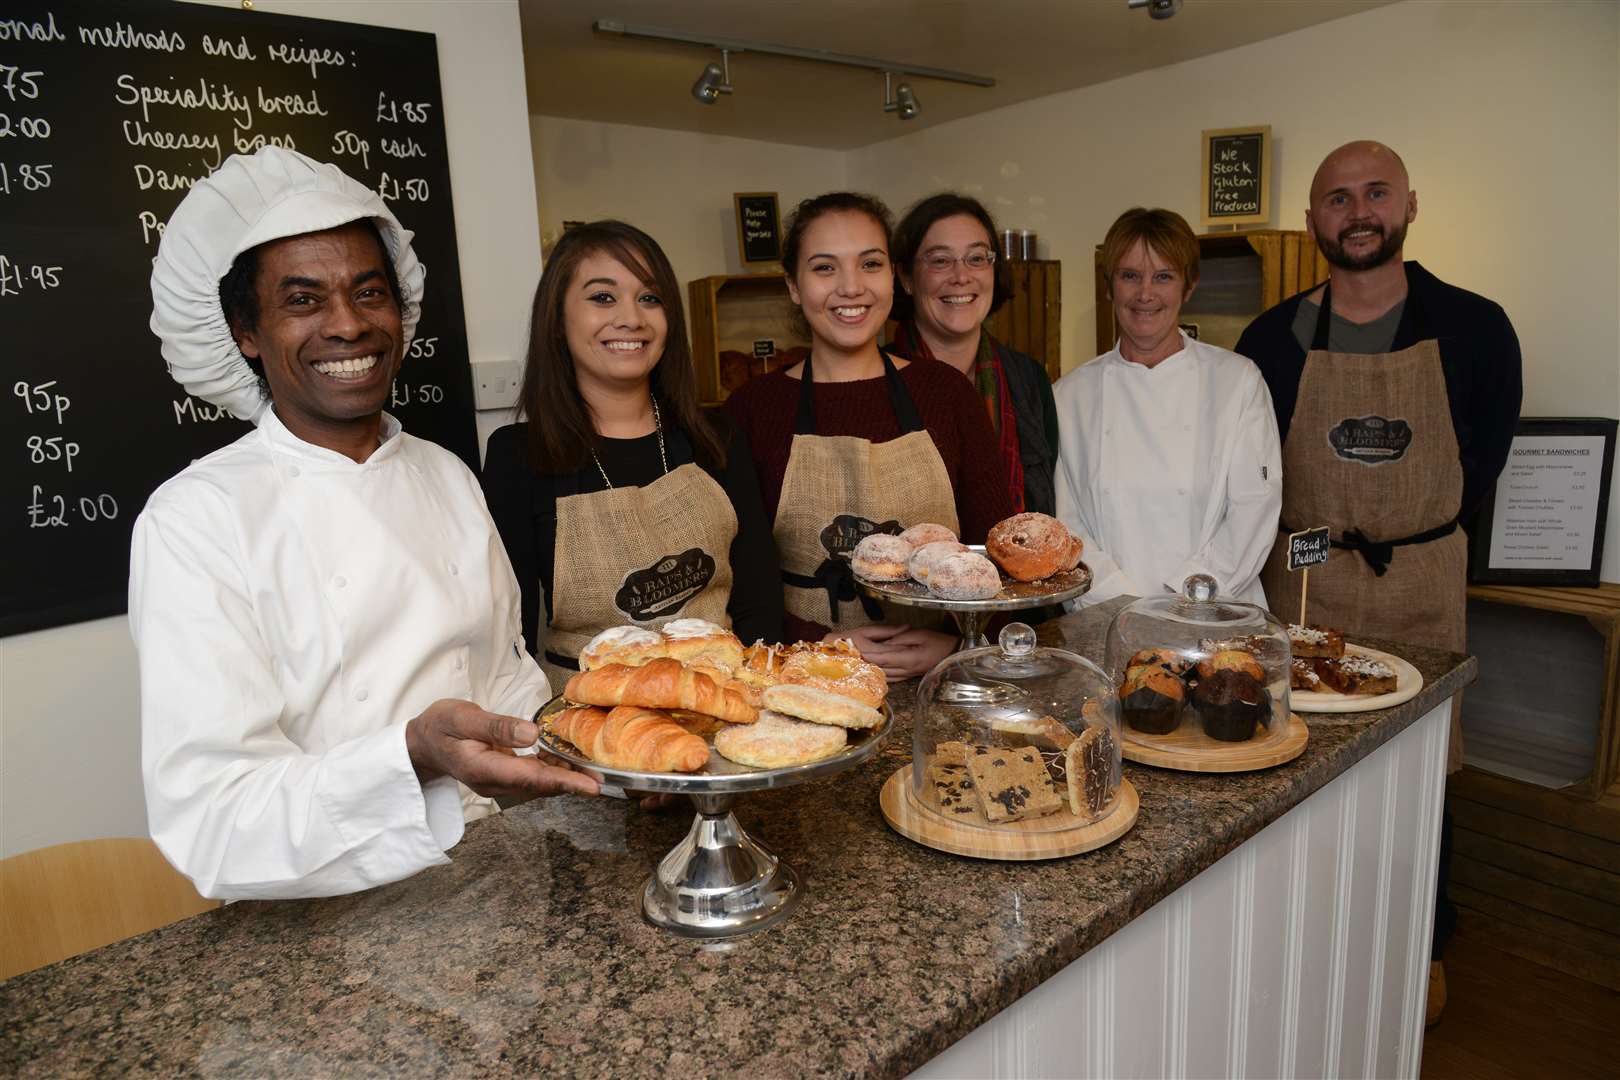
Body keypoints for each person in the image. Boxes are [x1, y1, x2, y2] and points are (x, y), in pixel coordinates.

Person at [135, 147, 597, 901]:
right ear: (246, 334)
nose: (348, 325)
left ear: (401, 309)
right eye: (303, 300)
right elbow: (213, 823)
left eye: (368, 292)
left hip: (505, 874)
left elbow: (508, 677)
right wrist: (414, 755)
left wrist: (590, 756)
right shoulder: (197, 519)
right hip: (328, 914)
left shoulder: (446, 473)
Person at [1235, 140, 1522, 1022]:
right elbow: (1255, 466)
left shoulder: (1475, 326)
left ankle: (1417, 943)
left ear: (1408, 205)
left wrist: (1404, 524)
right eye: (1336, 199)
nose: (1357, 212)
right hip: (1307, 582)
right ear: (1314, 219)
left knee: (1419, 775)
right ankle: (1305, 933)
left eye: (1375, 194)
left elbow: (1484, 458)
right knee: (1291, 763)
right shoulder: (1271, 338)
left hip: (1420, 580)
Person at [480, 220, 782, 689]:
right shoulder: (518, 455)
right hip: (590, 722)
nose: (632, 318)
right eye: (603, 297)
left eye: (650, 298)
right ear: (558, 319)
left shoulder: (717, 438)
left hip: (723, 703)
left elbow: (759, 601)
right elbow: (509, 635)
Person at [725, 192, 1013, 678]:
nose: (851, 287)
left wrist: (955, 641)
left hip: (943, 677)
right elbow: (741, 585)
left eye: (870, 264)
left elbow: (998, 558)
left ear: (894, 277)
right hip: (805, 682)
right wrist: (822, 644)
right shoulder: (753, 409)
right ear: (793, 285)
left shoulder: (945, 393)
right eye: (824, 268)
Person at [1053, 208, 1282, 607]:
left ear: (1188, 287)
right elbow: (1066, 525)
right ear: (1109, 286)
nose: (1145, 294)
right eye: (1129, 276)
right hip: (1103, 614)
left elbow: (1254, 509)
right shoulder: (1068, 395)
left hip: (1214, 612)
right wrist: (1119, 606)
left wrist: (1188, 596)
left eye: (1163, 276)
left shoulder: (1237, 382)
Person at [888, 193, 1061, 516]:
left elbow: (1050, 511)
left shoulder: (1029, 380)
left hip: (1015, 565)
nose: (961, 276)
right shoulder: (876, 379)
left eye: (976, 258)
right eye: (940, 260)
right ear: (906, 277)